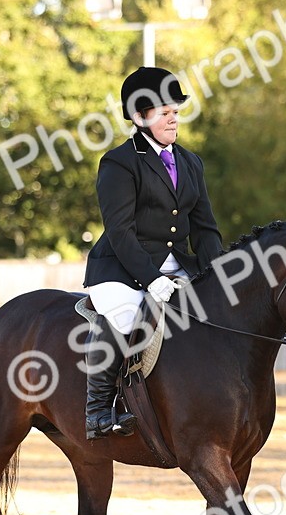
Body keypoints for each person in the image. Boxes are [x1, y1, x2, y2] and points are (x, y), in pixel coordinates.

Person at [82, 66, 224, 440]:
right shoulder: (119, 162)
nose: (173, 117)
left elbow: (205, 228)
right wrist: (152, 279)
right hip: (122, 269)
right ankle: (97, 411)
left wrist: (217, 276)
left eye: (175, 110)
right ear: (140, 116)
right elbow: (120, 231)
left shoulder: (191, 162)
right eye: (165, 112)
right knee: (126, 317)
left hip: (179, 266)